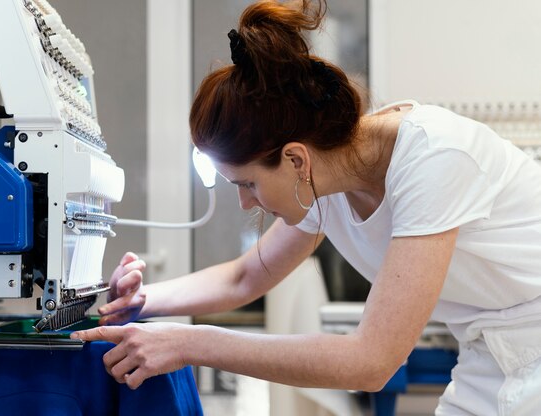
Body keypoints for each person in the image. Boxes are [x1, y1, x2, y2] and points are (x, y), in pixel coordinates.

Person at [71, 0, 541, 414]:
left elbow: (370, 363)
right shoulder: (326, 176)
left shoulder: (434, 159)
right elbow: (245, 277)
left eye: (249, 183)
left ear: (295, 158)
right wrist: (140, 301)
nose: (244, 201)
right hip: (489, 355)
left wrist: (188, 342)